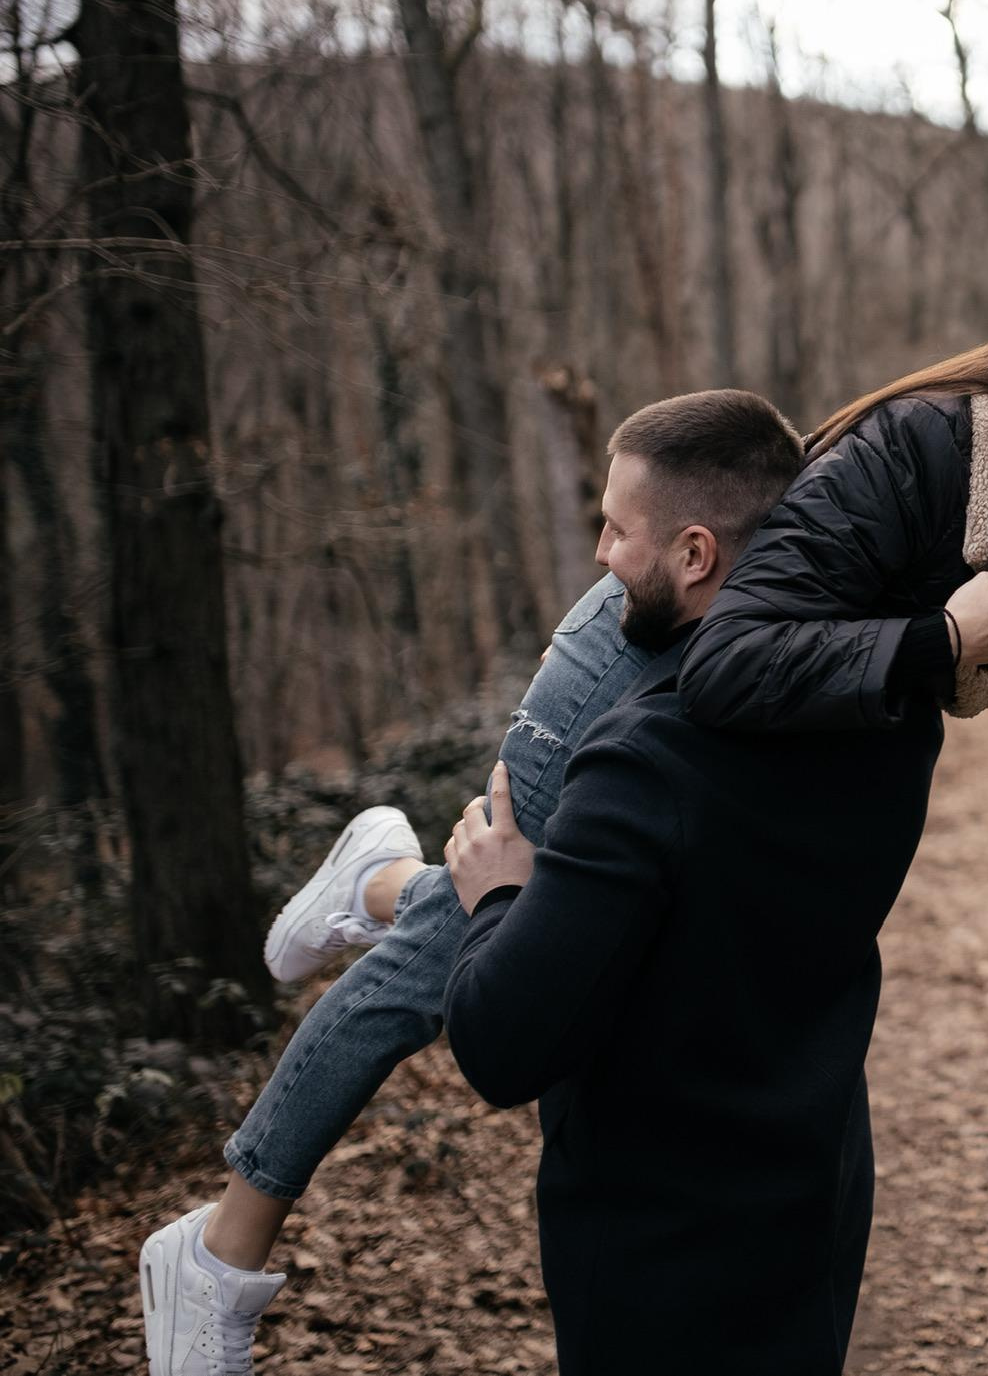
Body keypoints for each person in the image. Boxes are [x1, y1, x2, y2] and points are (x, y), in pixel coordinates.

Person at [440, 258, 988, 1372]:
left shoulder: (878, 721)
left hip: (712, 1201)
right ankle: (377, 902)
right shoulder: (908, 485)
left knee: (484, 874)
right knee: (451, 890)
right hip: (792, 1166)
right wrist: (936, 647)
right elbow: (735, 664)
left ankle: (400, 888)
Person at [137, 390, 806, 1376]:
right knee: (428, 971)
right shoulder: (639, 595)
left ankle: (375, 878)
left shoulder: (796, 549)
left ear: (699, 551)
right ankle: (218, 1250)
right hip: (620, 655)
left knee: (493, 911)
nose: (596, 552)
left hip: (676, 634)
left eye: (614, 528)